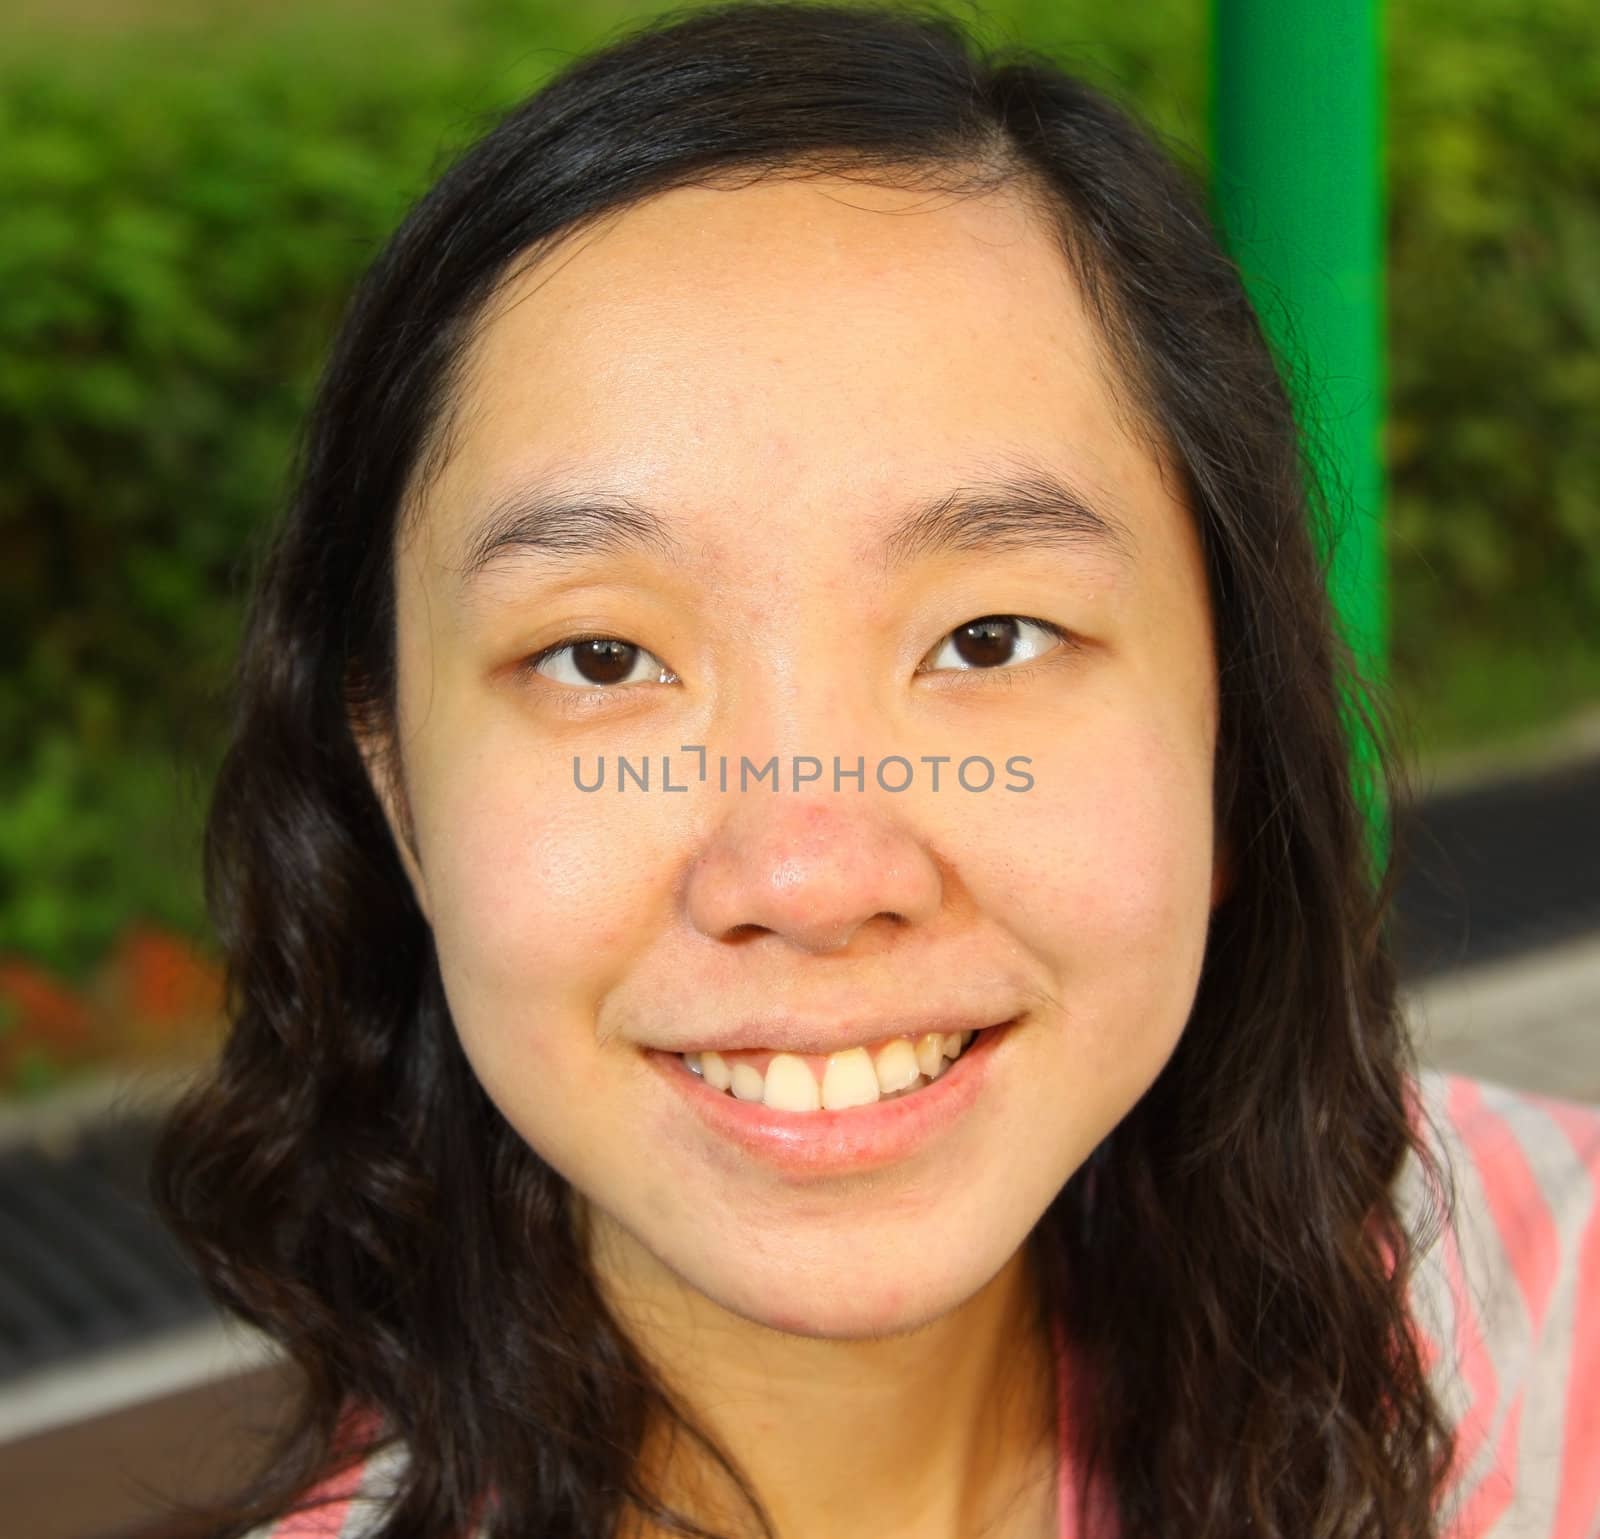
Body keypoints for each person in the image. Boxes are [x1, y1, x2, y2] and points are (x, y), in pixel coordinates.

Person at [147, 3, 1600, 1537]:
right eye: (600, 660)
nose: (812, 876)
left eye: (987, 637)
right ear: (399, 790)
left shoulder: (1544, 1305)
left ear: (1228, 737)